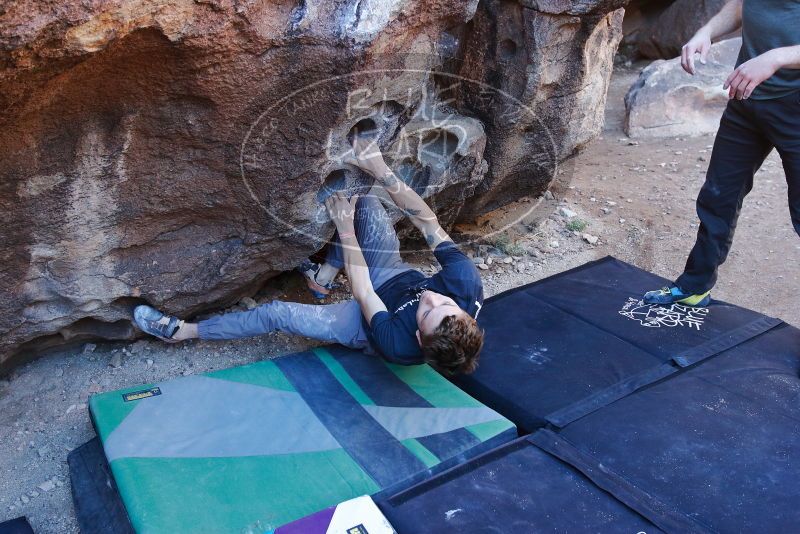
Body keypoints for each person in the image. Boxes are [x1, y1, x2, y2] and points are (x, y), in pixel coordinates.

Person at [133, 138, 484, 374]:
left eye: (427, 310)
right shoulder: (464, 283)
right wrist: (379, 168)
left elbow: (363, 294)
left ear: (420, 338)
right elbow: (426, 221)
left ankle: (182, 332)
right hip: (394, 274)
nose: (433, 297)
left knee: (277, 313)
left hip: (366, 318)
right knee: (365, 201)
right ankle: (323, 277)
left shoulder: (399, 345)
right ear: (464, 310)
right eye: (444, 303)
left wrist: (344, 229)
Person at [644, 0, 800, 307]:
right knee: (718, 197)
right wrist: (707, 31)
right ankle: (695, 285)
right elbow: (743, 5)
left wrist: (776, 57)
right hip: (748, 99)